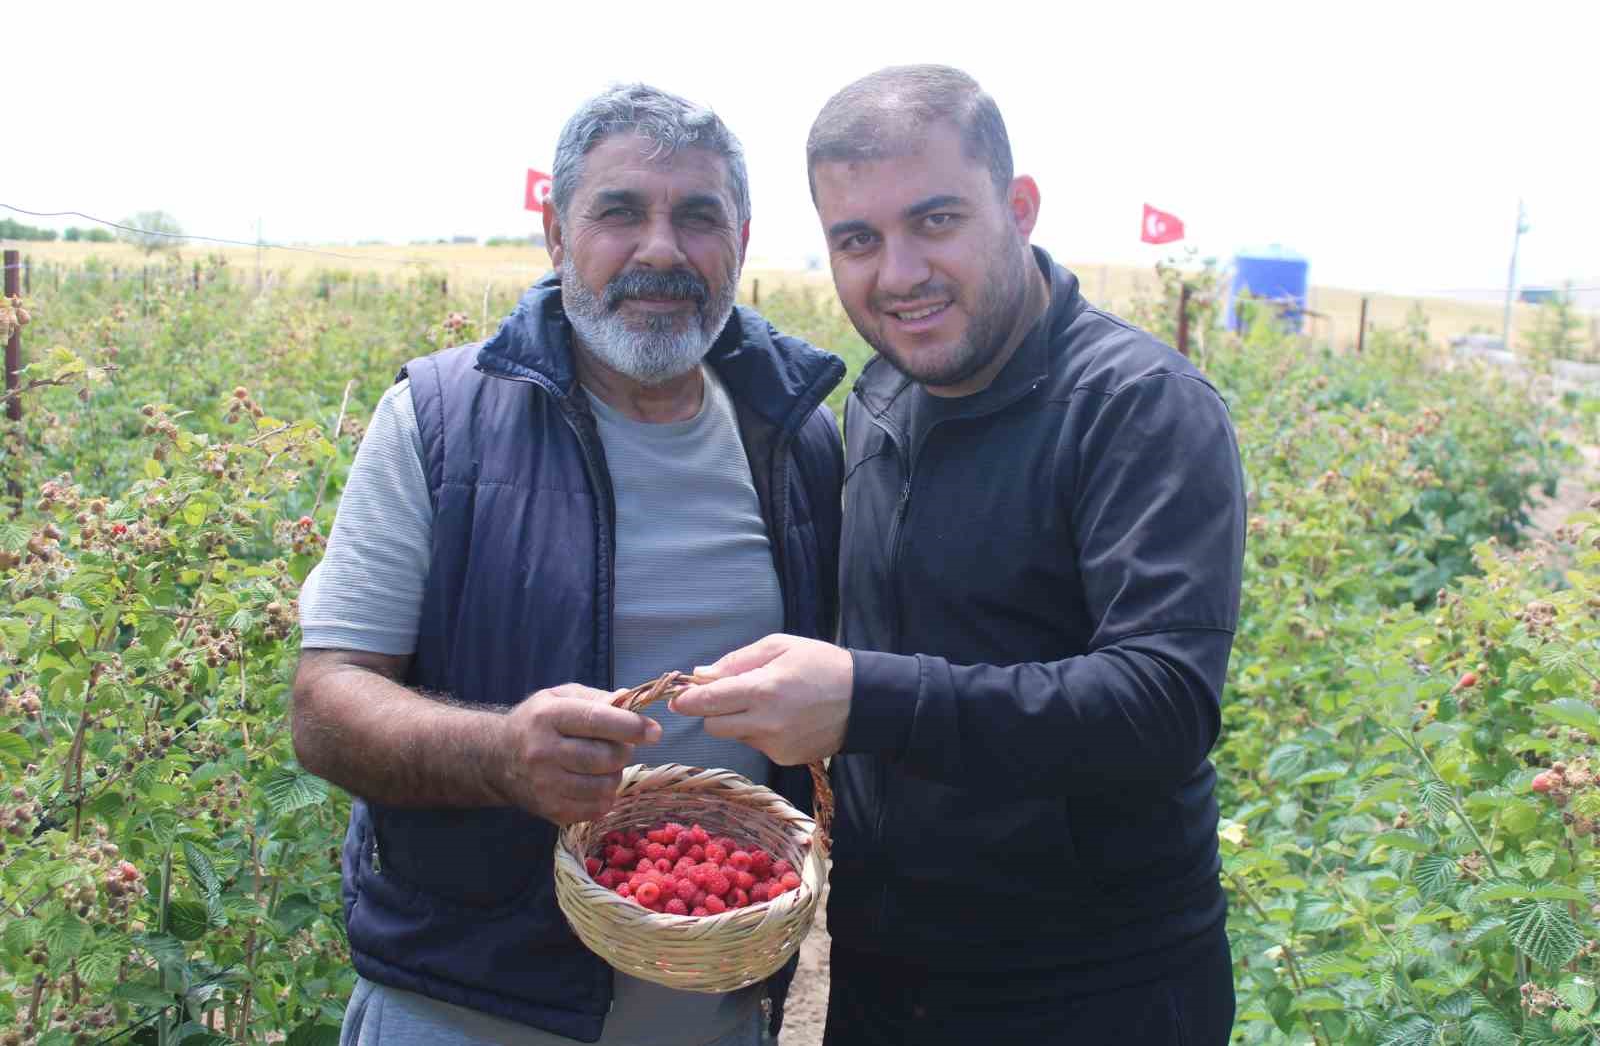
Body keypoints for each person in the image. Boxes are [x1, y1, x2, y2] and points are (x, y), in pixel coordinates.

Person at [670, 65, 1246, 1044]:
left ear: (1016, 208)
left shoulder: (1134, 406)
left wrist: (863, 698)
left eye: (934, 220)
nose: (897, 273)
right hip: (890, 969)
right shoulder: (883, 396)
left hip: (1091, 987)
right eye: (857, 239)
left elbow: (1161, 703)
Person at [291, 83, 845, 1045]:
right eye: (620, 212)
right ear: (556, 234)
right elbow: (326, 706)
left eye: (698, 217)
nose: (661, 249)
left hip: (711, 1010)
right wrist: (504, 754)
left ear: (742, 241)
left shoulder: (796, 439)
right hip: (466, 1008)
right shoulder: (438, 422)